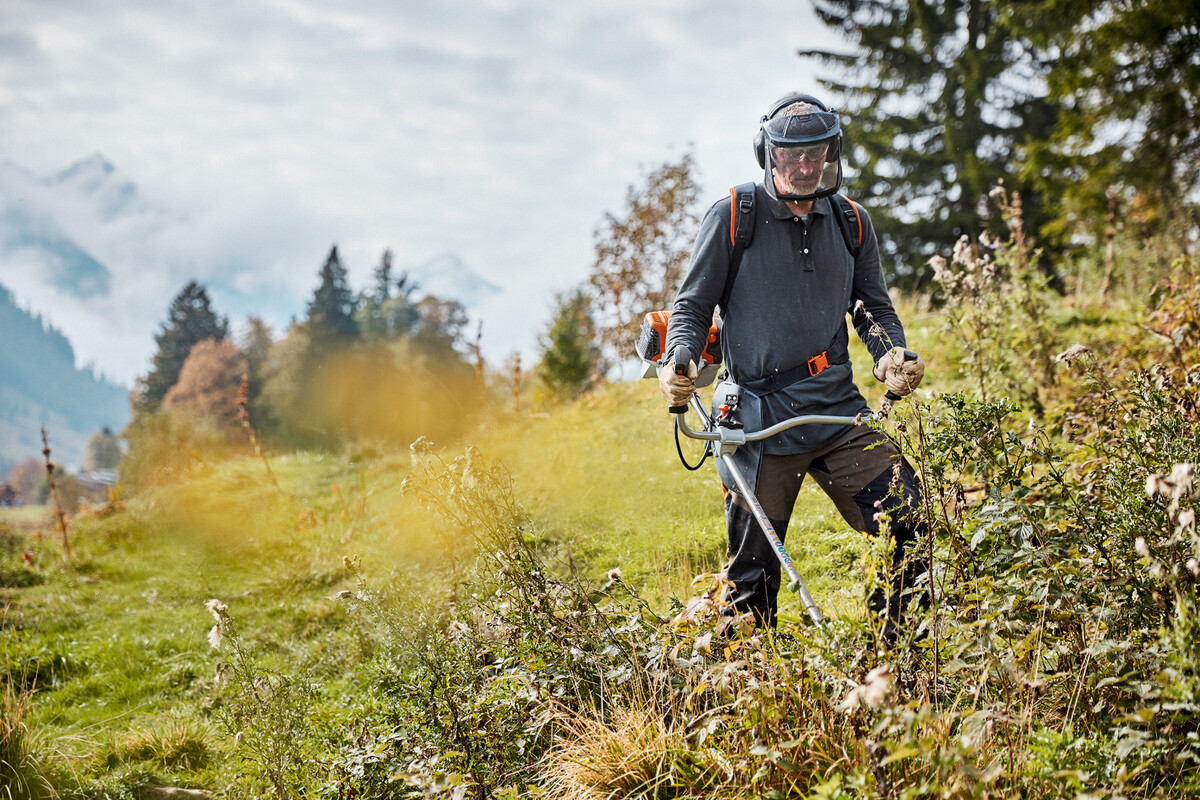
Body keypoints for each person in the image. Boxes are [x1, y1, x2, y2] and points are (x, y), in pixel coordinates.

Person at [660, 92, 928, 644]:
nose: (805, 167)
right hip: (756, 423)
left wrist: (889, 355)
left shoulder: (851, 222)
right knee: (752, 581)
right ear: (769, 153)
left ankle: (897, 667)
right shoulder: (736, 214)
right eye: (791, 154)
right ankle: (757, 696)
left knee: (911, 523)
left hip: (836, 414)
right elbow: (691, 306)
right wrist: (677, 359)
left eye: (816, 153)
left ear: (832, 151)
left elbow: (870, 306)